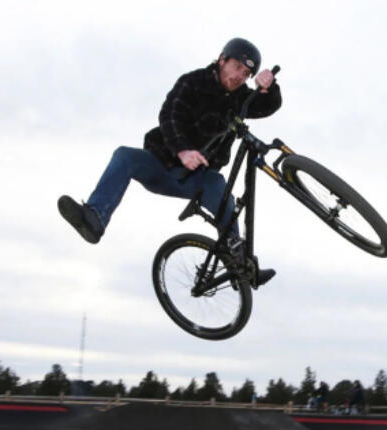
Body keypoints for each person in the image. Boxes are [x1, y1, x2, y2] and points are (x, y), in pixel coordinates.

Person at [58, 38, 283, 288]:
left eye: (246, 73)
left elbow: (269, 106)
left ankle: (240, 267)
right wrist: (183, 150)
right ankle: (94, 219)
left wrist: (269, 87)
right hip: (161, 165)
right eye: (236, 67)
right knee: (124, 156)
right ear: (222, 60)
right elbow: (169, 115)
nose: (239, 76)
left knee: (220, 189)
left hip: (198, 179)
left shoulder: (240, 99)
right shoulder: (192, 82)